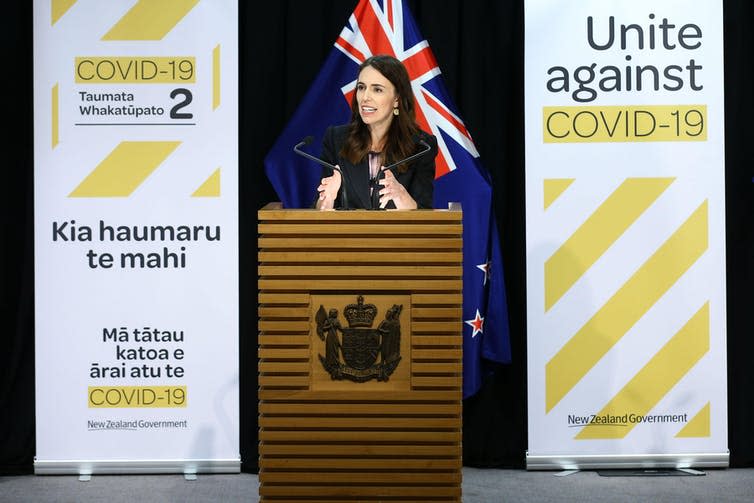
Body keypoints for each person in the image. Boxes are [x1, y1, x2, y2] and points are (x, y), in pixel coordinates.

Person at [314, 55, 438, 210]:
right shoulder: (337, 139)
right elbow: (319, 211)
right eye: (361, 87)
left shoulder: (421, 147)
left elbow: (425, 217)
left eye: (377, 89)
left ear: (397, 98)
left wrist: (402, 197)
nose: (365, 97)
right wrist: (328, 199)